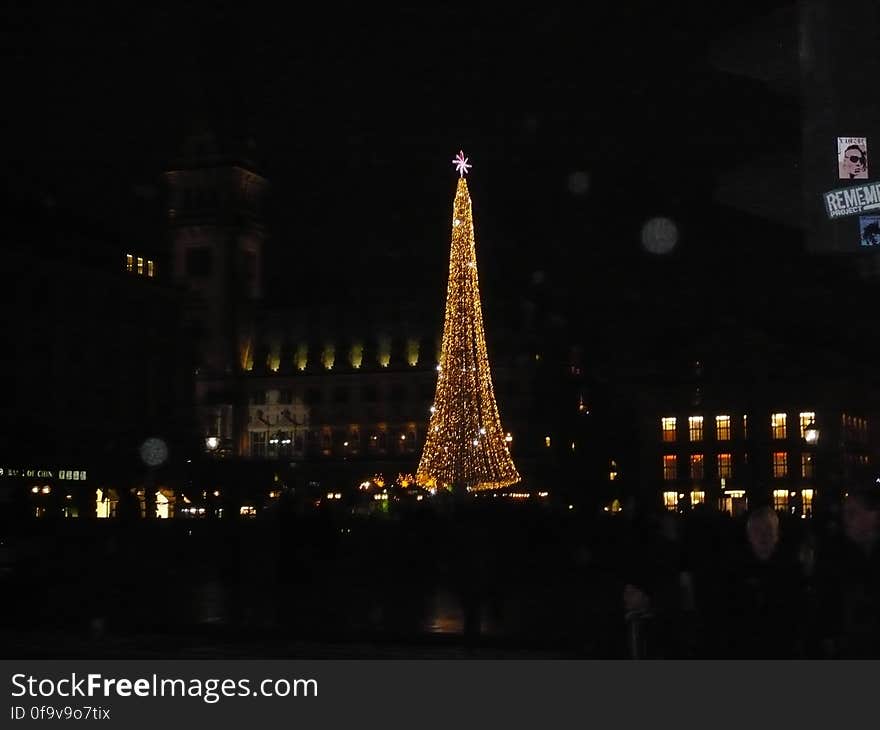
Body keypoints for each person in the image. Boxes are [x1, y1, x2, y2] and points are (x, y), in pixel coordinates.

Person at [816, 488, 880, 657]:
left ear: (873, 516)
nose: (846, 519)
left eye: (852, 513)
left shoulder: (838, 555)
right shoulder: (836, 556)